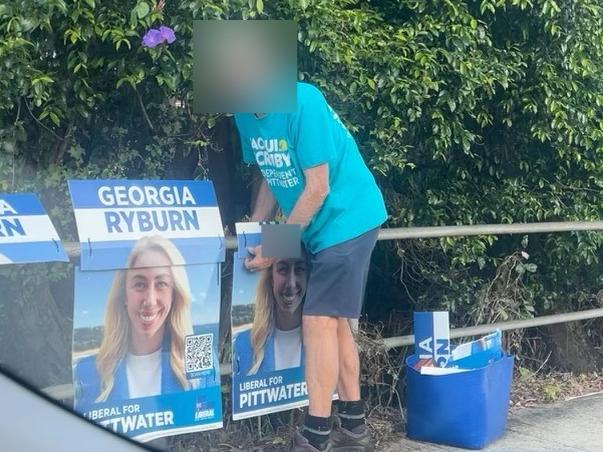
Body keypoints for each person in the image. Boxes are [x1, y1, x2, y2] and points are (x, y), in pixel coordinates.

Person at [234, 81, 387, 451]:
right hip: (317, 228)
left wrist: (274, 248)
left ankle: (316, 434)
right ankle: (354, 429)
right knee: (335, 324)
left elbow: (317, 188)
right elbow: (271, 174)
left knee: (317, 320)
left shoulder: (305, 100)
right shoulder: (243, 112)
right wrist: (255, 228)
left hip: (348, 217)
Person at [73, 235, 217, 407]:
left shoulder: (201, 355)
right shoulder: (86, 370)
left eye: (161, 283)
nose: (150, 300)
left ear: (175, 295)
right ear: (124, 294)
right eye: (140, 284)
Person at [234, 256, 308, 376]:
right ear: (271, 279)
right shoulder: (244, 343)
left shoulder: (327, 340)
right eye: (283, 270)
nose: (291, 283)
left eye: (299, 269)